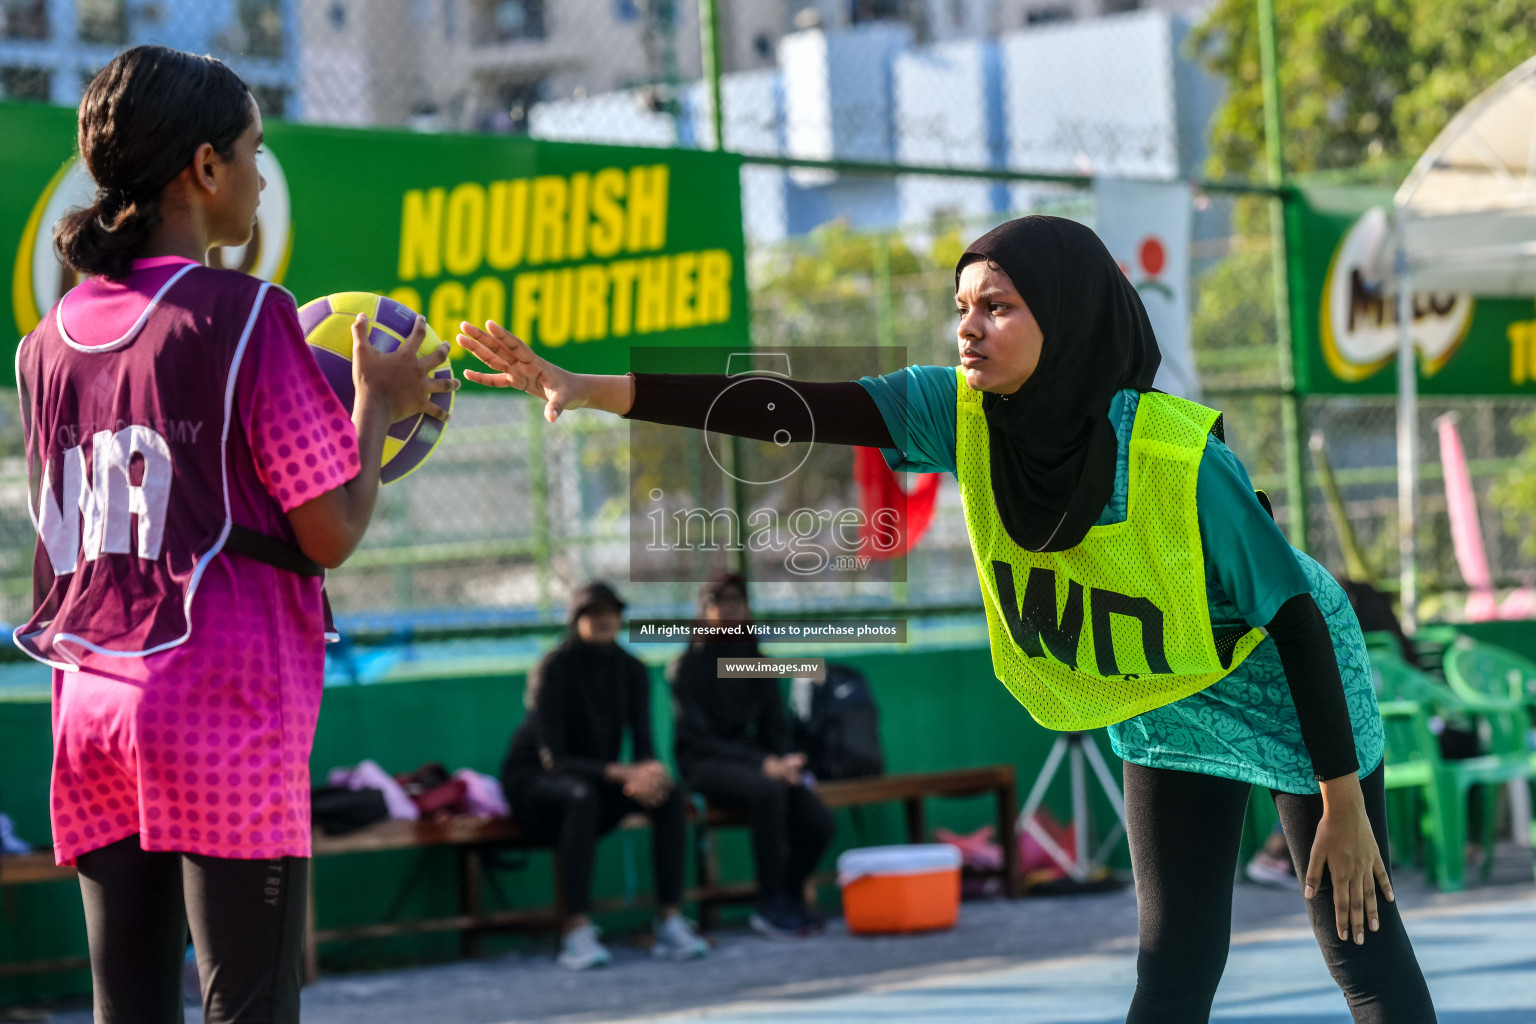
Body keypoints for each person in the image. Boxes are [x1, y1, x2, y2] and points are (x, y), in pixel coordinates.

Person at [457, 214, 1438, 1023]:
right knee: (1173, 965)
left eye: (999, 307)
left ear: (1067, 318)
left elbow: (1301, 615)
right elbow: (785, 406)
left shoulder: (1177, 459)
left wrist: (1342, 802)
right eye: (960, 307)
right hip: (1167, 692)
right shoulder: (953, 413)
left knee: (1360, 948)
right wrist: (590, 391)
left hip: (1289, 691)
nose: (968, 327)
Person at [15, 46, 455, 1023]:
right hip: (217, 695)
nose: (261, 175)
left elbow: (69, 534)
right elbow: (331, 531)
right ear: (204, 169)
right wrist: (376, 401)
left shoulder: (43, 348)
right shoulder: (247, 316)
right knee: (246, 1003)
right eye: (254, 152)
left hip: (87, 698)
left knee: (126, 1007)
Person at [501, 582, 710, 969]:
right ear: (575, 620)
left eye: (611, 612)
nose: (604, 621)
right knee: (581, 798)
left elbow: (644, 746)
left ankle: (669, 920)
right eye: (593, 613)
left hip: (597, 780)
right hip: (535, 784)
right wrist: (620, 772)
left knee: (669, 794)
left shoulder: (632, 668)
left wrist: (647, 773)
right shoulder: (554, 668)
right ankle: (576, 930)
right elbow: (555, 760)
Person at [668, 572, 835, 938]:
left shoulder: (759, 661)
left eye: (736, 601)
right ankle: (769, 903)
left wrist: (785, 763)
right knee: (767, 790)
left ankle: (790, 897)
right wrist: (764, 765)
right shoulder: (687, 667)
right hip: (704, 765)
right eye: (718, 602)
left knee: (818, 820)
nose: (728, 610)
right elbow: (699, 739)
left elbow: (775, 730)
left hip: (762, 765)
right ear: (703, 610)